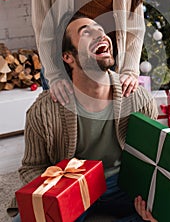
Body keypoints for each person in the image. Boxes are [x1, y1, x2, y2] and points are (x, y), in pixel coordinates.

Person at [9, 14, 158, 222]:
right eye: (86, 32)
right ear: (68, 57)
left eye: (100, 30)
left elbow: (156, 162)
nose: (100, 35)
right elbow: (31, 168)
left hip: (123, 184)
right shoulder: (43, 111)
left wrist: (154, 208)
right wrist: (54, 195)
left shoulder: (137, 98)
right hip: (72, 190)